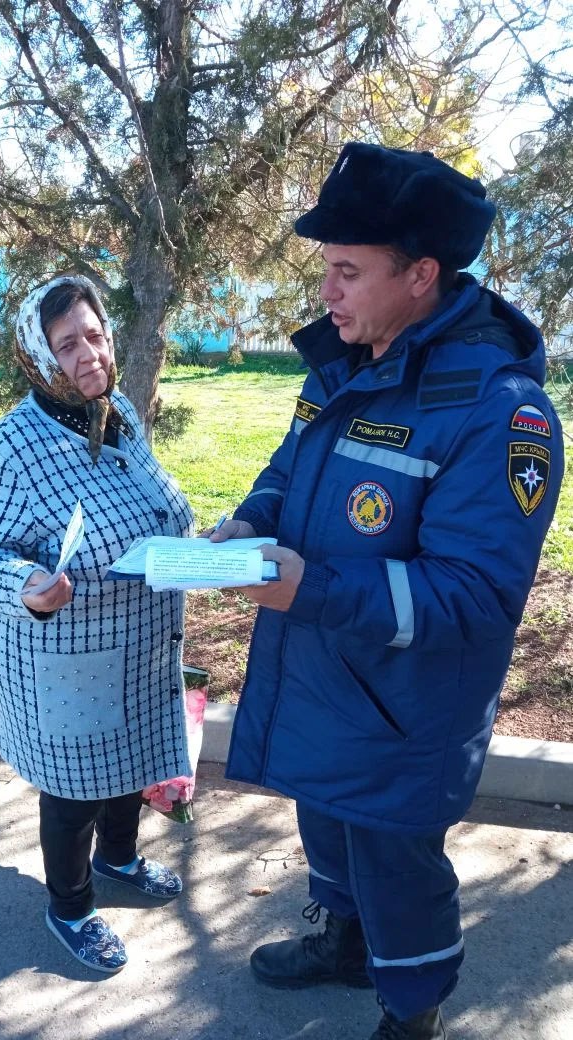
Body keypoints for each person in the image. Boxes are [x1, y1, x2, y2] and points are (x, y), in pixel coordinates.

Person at [209, 143, 564, 1039]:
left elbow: (475, 598)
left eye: (346, 272)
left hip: (404, 708)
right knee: (327, 829)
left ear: (422, 276)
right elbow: (289, 472)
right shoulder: (344, 359)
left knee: (396, 864)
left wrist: (313, 588)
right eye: (325, 269)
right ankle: (343, 942)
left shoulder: (500, 411)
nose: (325, 293)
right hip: (324, 674)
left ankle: (413, 1008)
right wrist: (252, 524)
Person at [0, 274, 195, 974]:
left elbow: (150, 501)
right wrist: (22, 585)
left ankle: (119, 861)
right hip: (66, 649)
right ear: (38, 357)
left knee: (134, 762)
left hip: (141, 641)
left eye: (95, 335)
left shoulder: (117, 411)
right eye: (67, 344)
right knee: (75, 790)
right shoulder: (14, 445)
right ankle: (71, 906)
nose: (88, 354)